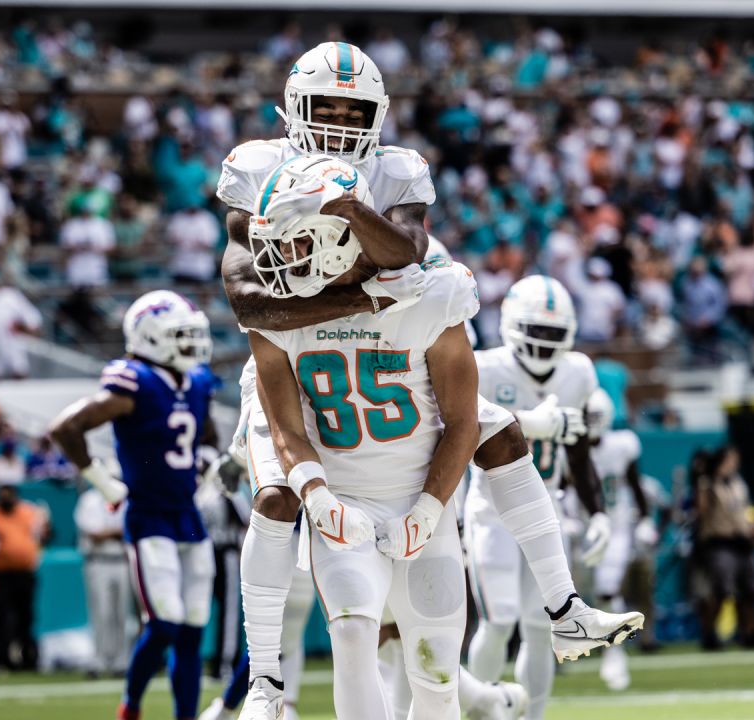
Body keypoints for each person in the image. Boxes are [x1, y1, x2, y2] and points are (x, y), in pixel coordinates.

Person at [217, 41, 639, 719]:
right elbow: (251, 298)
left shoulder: (407, 228)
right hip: (314, 373)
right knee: (277, 500)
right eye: (321, 105)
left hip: (391, 395)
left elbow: (406, 252)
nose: (334, 119)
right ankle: (264, 683)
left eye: (350, 108)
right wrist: (369, 297)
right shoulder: (266, 196)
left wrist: (429, 507)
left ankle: (563, 606)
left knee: (494, 434)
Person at [246, 153, 483, 718]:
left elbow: (465, 422)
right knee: (353, 638)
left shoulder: (429, 297)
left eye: (299, 241)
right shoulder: (277, 314)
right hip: (344, 501)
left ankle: (562, 604)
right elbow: (284, 426)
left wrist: (428, 509)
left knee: (435, 675)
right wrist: (319, 497)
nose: (284, 256)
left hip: (424, 500)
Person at [49, 290, 217, 720]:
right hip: (148, 516)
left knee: (194, 626)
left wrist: (209, 462)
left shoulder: (195, 382)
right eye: (180, 336)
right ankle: (131, 706)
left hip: (188, 514)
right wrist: (101, 480)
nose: (190, 345)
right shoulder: (134, 381)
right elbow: (66, 427)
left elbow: (207, 434)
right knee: (165, 623)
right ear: (150, 337)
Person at [464, 276, 618, 718]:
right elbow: (460, 428)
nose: (545, 342)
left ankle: (534, 715)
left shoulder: (578, 372)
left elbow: (579, 448)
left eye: (553, 333)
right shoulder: (486, 367)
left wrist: (599, 514)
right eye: (538, 331)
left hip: (545, 508)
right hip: (490, 509)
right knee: (499, 620)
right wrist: (532, 422)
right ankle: (485, 709)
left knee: (540, 625)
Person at [585, 389, 657, 691]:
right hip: (579, 526)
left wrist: (643, 518)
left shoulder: (621, 446)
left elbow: (634, 482)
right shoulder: (570, 448)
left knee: (607, 590)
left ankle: (615, 653)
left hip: (614, 529)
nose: (591, 423)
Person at [694, 445, 754, 650]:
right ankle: (709, 633)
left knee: (750, 590)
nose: (734, 464)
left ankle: (749, 632)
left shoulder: (738, 483)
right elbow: (702, 511)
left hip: (742, 541)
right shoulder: (708, 484)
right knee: (722, 590)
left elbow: (745, 510)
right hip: (720, 541)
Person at [0, 483, 47, 671]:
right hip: (2, 573)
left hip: (25, 572)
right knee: (2, 617)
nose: (6, 499)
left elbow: (42, 535)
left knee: (26, 617)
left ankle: (29, 659)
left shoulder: (29, 512)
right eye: (3, 495)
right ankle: (2, 659)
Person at [75, 485, 134, 678]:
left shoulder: (126, 499)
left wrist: (111, 533)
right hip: (98, 560)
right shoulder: (90, 500)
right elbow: (94, 533)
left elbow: (130, 528)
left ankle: (122, 661)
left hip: (123, 560)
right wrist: (115, 533)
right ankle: (99, 659)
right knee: (101, 612)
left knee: (122, 613)